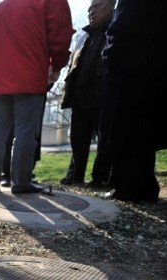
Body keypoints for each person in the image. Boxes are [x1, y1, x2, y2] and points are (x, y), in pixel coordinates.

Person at [0, 0, 74, 194]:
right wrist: (57, 64)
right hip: (30, 75)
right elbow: (60, 34)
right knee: (25, 132)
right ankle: (21, 182)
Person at [98, 0, 167, 202]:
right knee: (146, 128)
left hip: (129, 69)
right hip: (156, 67)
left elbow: (123, 26)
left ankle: (127, 187)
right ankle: (145, 187)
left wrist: (108, 54)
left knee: (124, 128)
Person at [59, 0, 115, 188]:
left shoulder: (115, 29)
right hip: (80, 97)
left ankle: (100, 178)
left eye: (97, 6)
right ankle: (75, 176)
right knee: (77, 140)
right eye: (90, 8)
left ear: (111, 5)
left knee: (105, 140)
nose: (92, 11)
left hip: (103, 96)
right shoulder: (83, 36)